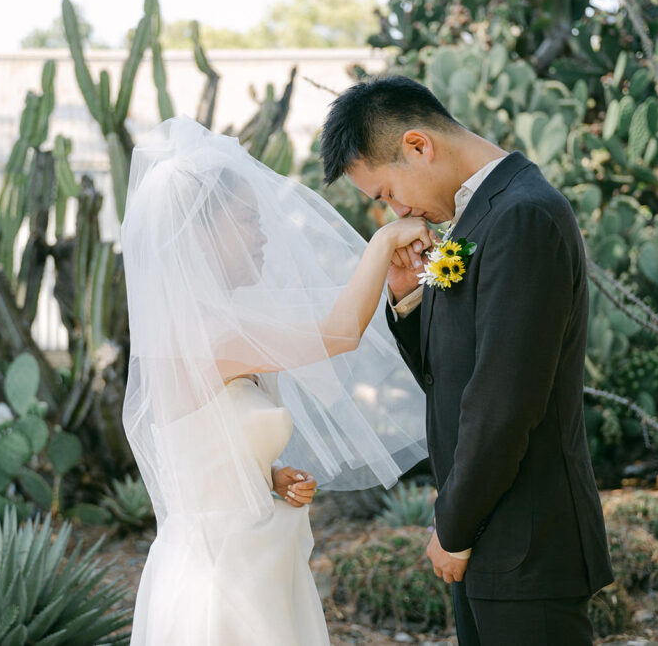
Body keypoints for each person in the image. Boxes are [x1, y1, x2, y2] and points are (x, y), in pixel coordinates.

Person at [320, 75, 613, 645]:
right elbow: (451, 373)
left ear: (417, 146)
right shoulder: (480, 213)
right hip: (493, 534)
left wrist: (452, 529)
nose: (396, 210)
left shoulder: (522, 214)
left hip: (526, 539)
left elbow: (505, 401)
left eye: (385, 193)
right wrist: (408, 297)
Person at [120, 115, 432, 645]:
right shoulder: (210, 335)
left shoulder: (218, 325)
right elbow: (338, 333)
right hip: (219, 581)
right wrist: (382, 245)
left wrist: (265, 479)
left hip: (256, 559)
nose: (264, 233)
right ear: (201, 228)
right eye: (248, 219)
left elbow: (202, 452)